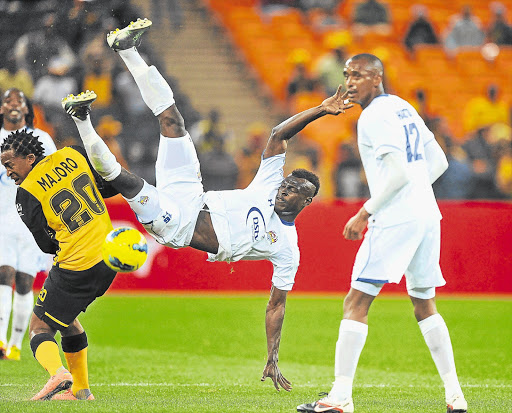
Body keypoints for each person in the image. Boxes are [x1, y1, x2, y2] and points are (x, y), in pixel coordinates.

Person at [63, 18, 351, 391]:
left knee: (126, 180)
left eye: (295, 188)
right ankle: (127, 49)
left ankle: (81, 120)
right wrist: (321, 109)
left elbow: (276, 304)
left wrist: (272, 356)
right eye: (288, 181)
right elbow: (279, 134)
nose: (285, 187)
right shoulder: (267, 184)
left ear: (307, 201)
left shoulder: (288, 248)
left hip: (176, 227)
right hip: (191, 194)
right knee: (173, 121)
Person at [297, 54, 467, 413]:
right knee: (424, 303)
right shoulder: (403, 107)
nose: (349, 81)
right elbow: (438, 162)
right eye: (346, 75)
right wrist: (416, 192)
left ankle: (340, 397)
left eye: (358, 75)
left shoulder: (372, 117)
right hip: (427, 214)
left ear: (377, 78)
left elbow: (399, 175)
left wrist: (364, 212)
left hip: (395, 218)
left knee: (356, 302)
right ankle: (455, 396)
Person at [0, 125, 120, 400]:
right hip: (108, 255)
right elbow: (109, 184)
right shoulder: (73, 154)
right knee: (66, 321)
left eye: (10, 164)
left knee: (39, 327)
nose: (8, 172)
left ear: (30, 158)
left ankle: (58, 374)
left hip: (77, 263)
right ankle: (81, 391)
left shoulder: (26, 193)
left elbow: (45, 243)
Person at [0, 88, 57, 361]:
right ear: (1, 109)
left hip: (32, 221)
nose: (13, 104)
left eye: (19, 101)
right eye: (8, 100)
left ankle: (14, 345)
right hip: (2, 219)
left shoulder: (42, 139)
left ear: (26, 108)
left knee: (24, 281)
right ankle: (0, 339)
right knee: (3, 274)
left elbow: (54, 174)